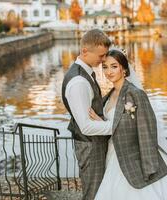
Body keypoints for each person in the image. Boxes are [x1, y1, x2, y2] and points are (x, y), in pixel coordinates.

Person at [89, 49, 167, 200]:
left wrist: (148, 165)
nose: (109, 71)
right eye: (105, 67)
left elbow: (146, 129)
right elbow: (115, 125)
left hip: (134, 156)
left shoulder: (135, 94)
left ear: (124, 69)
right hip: (114, 154)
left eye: (114, 66)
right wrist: (100, 123)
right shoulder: (109, 96)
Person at [61, 29, 112, 200]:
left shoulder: (85, 73)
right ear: (85, 51)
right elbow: (86, 126)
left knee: (99, 190)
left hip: (93, 144)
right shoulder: (78, 82)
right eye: (101, 55)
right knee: (93, 192)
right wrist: (115, 125)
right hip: (90, 146)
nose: (104, 59)